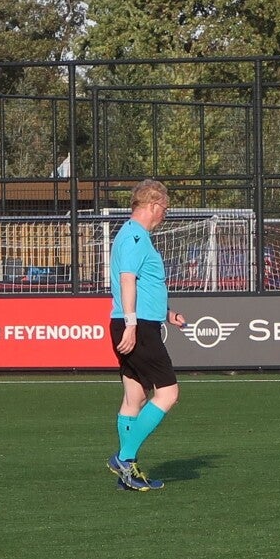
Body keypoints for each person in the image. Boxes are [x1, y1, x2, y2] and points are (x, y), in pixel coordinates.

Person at [106, 179, 188, 492]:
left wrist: (167, 313)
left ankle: (127, 475)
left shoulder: (131, 235)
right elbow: (127, 280)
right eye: (165, 208)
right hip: (137, 326)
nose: (165, 214)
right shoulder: (136, 237)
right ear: (153, 205)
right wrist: (131, 325)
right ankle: (124, 458)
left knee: (135, 398)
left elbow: (142, 285)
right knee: (168, 394)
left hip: (135, 322)